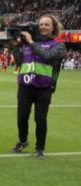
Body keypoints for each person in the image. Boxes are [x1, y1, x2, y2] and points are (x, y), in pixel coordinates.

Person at [11, 15, 66, 158]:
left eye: (47, 24)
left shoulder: (58, 45)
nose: (43, 27)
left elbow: (47, 56)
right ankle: (23, 141)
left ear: (53, 27)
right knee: (22, 118)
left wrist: (30, 41)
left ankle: (40, 148)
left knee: (40, 119)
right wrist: (16, 46)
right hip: (25, 86)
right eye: (41, 24)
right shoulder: (27, 43)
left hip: (44, 87)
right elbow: (18, 62)